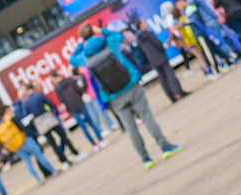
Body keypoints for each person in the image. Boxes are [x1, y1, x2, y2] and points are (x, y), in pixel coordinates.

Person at [68, 24, 180, 167]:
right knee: (147, 117)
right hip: (131, 84)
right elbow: (119, 36)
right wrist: (100, 31)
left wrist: (82, 42)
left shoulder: (84, 57)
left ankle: (146, 159)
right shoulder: (109, 43)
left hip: (113, 95)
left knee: (130, 128)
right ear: (93, 31)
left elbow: (72, 60)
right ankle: (165, 147)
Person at [0, 109, 56, 183]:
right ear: (6, 111)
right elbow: (22, 128)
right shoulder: (12, 118)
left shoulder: (1, 127)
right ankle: (53, 171)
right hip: (25, 140)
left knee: (28, 162)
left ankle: (38, 180)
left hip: (16, 147)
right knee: (39, 155)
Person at [130, 22, 188, 100]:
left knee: (162, 79)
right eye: (144, 23)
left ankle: (171, 96)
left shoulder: (138, 39)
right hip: (160, 56)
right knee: (170, 75)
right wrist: (162, 50)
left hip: (152, 60)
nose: (146, 24)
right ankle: (179, 92)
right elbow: (158, 44)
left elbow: (142, 52)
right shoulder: (148, 34)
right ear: (141, 25)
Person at [52, 70, 106, 150]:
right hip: (80, 104)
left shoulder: (57, 88)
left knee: (83, 127)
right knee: (91, 123)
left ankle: (94, 145)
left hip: (72, 109)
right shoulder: (69, 80)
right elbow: (79, 90)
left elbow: (61, 99)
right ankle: (101, 140)